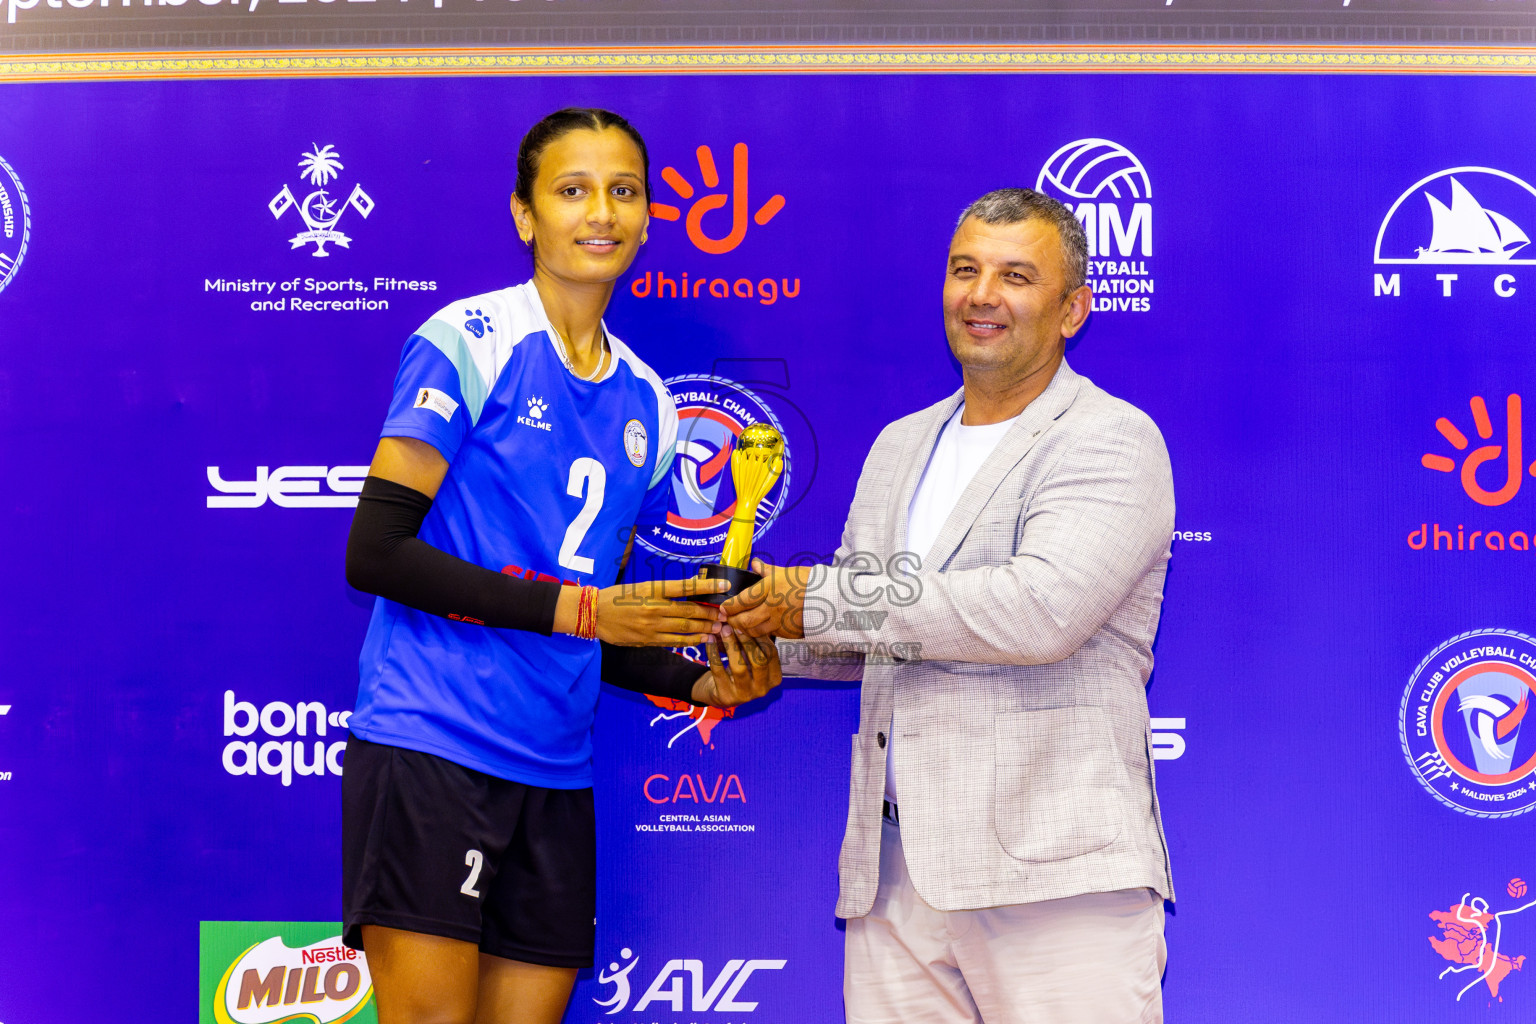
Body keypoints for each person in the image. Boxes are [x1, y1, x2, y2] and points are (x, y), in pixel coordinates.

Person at [341, 107, 781, 1024]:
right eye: (572, 190)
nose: (601, 212)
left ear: (650, 217)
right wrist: (586, 615)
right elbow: (376, 554)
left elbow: (601, 628)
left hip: (554, 772)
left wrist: (699, 683)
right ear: (524, 215)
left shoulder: (650, 404)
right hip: (433, 745)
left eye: (623, 191)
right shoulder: (469, 342)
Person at [726, 188, 1175, 1023]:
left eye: (1015, 276)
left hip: (1055, 876)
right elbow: (873, 632)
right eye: (965, 270)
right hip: (894, 873)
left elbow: (1038, 610)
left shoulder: (1113, 439)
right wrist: (762, 634)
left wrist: (816, 598)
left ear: (1073, 308)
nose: (981, 295)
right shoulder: (902, 443)